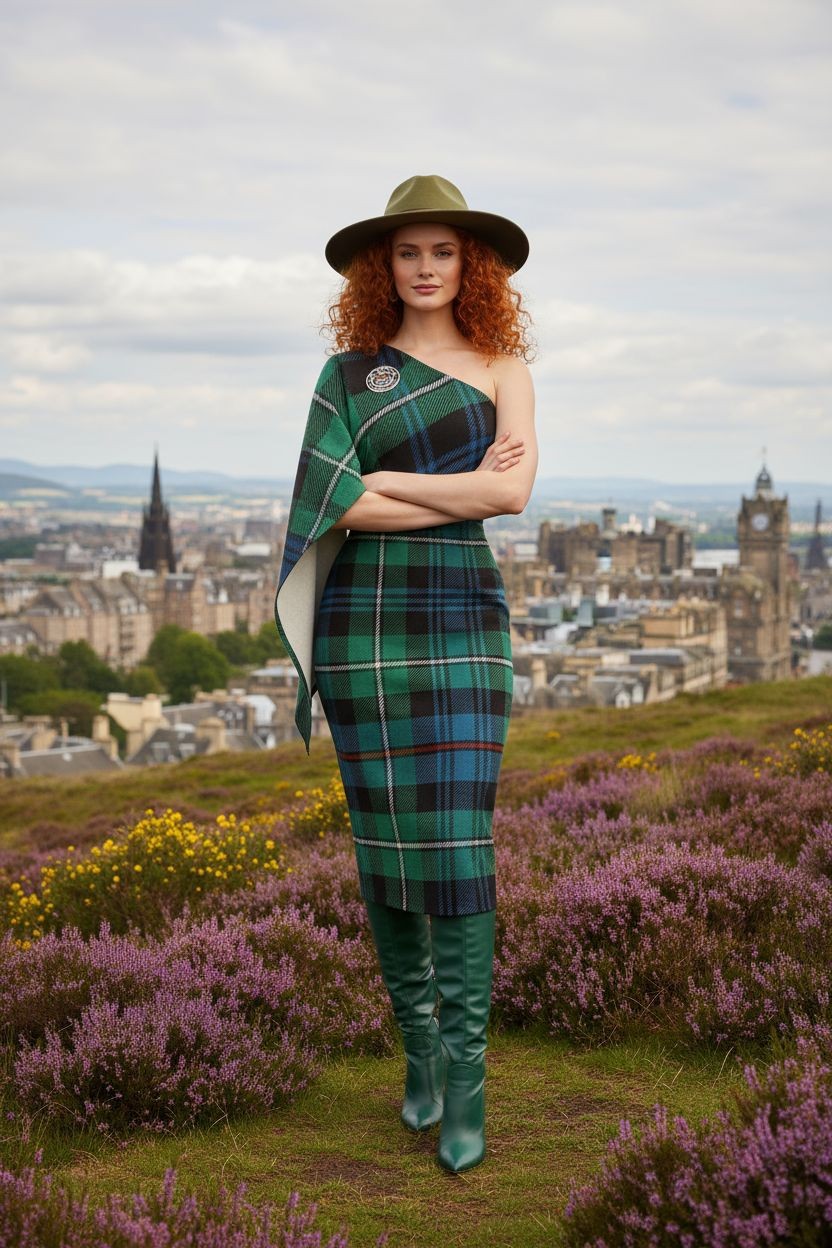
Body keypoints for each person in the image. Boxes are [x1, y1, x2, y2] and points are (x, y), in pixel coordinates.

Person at [274, 174, 537, 1173]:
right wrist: (435, 492)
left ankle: (466, 1086)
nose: (425, 268)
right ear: (381, 267)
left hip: (463, 615)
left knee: (459, 841)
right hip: (364, 628)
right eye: (407, 252)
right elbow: (332, 508)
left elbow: (511, 493)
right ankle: (419, 1061)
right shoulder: (346, 375)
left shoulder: (505, 364)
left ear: (472, 265)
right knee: (384, 840)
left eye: (443, 252)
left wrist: (381, 479)